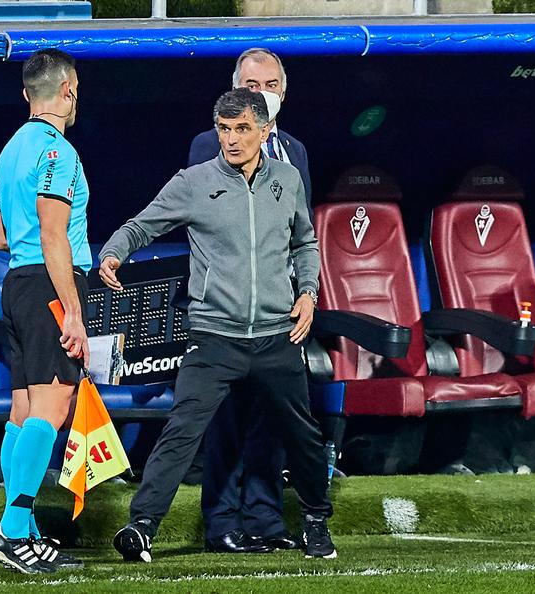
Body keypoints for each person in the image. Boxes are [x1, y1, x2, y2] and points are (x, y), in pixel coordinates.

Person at [102, 88, 336, 562]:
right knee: (182, 430)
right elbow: (140, 225)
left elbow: (305, 244)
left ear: (265, 131)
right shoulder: (193, 182)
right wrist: (113, 252)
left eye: (242, 129)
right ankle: (141, 527)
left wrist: (308, 293)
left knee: (304, 435)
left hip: (276, 335)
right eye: (224, 130)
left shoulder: (288, 180)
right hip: (214, 338)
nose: (231, 140)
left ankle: (315, 521)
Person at [186, 48, 310, 554]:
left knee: (273, 418)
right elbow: (202, 223)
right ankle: (221, 523)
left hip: (282, 310)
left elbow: (305, 232)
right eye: (252, 84)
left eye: (272, 84)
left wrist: (308, 292)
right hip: (229, 312)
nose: (263, 93)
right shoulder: (205, 146)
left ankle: (266, 520)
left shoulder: (296, 152)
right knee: (227, 418)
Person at [0, 48, 91, 574]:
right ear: (69, 90)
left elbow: (1, 236)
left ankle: (17, 531)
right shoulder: (58, 153)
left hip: (17, 284)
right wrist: (72, 310)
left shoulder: (8, 151)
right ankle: (12, 529)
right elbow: (53, 233)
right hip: (49, 284)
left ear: (28, 94)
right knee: (53, 408)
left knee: (23, 411)